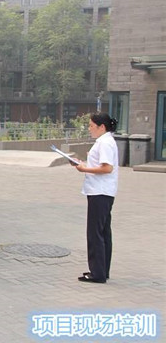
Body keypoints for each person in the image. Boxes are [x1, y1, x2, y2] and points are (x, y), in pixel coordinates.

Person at [72, 113, 119, 284]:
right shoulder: (106, 141)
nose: (89, 128)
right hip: (103, 192)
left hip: (100, 192)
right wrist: (83, 164)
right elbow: (100, 165)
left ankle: (97, 273)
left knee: (95, 233)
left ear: (102, 127)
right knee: (103, 232)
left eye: (91, 125)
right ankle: (101, 270)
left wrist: (84, 169)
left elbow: (107, 168)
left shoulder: (105, 143)